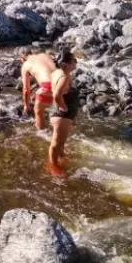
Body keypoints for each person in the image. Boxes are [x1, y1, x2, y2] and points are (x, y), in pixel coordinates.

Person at [48, 48, 80, 177]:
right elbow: (56, 95)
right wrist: (64, 107)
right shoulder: (64, 76)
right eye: (74, 60)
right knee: (56, 144)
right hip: (61, 115)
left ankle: (61, 158)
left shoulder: (57, 73)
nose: (76, 63)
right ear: (66, 64)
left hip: (62, 116)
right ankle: (52, 165)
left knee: (60, 143)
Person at [20, 51, 57, 131]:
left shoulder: (26, 64)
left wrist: (26, 105)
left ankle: (42, 133)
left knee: (38, 111)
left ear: (22, 58)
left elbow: (26, 90)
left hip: (48, 87)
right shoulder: (45, 55)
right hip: (63, 84)